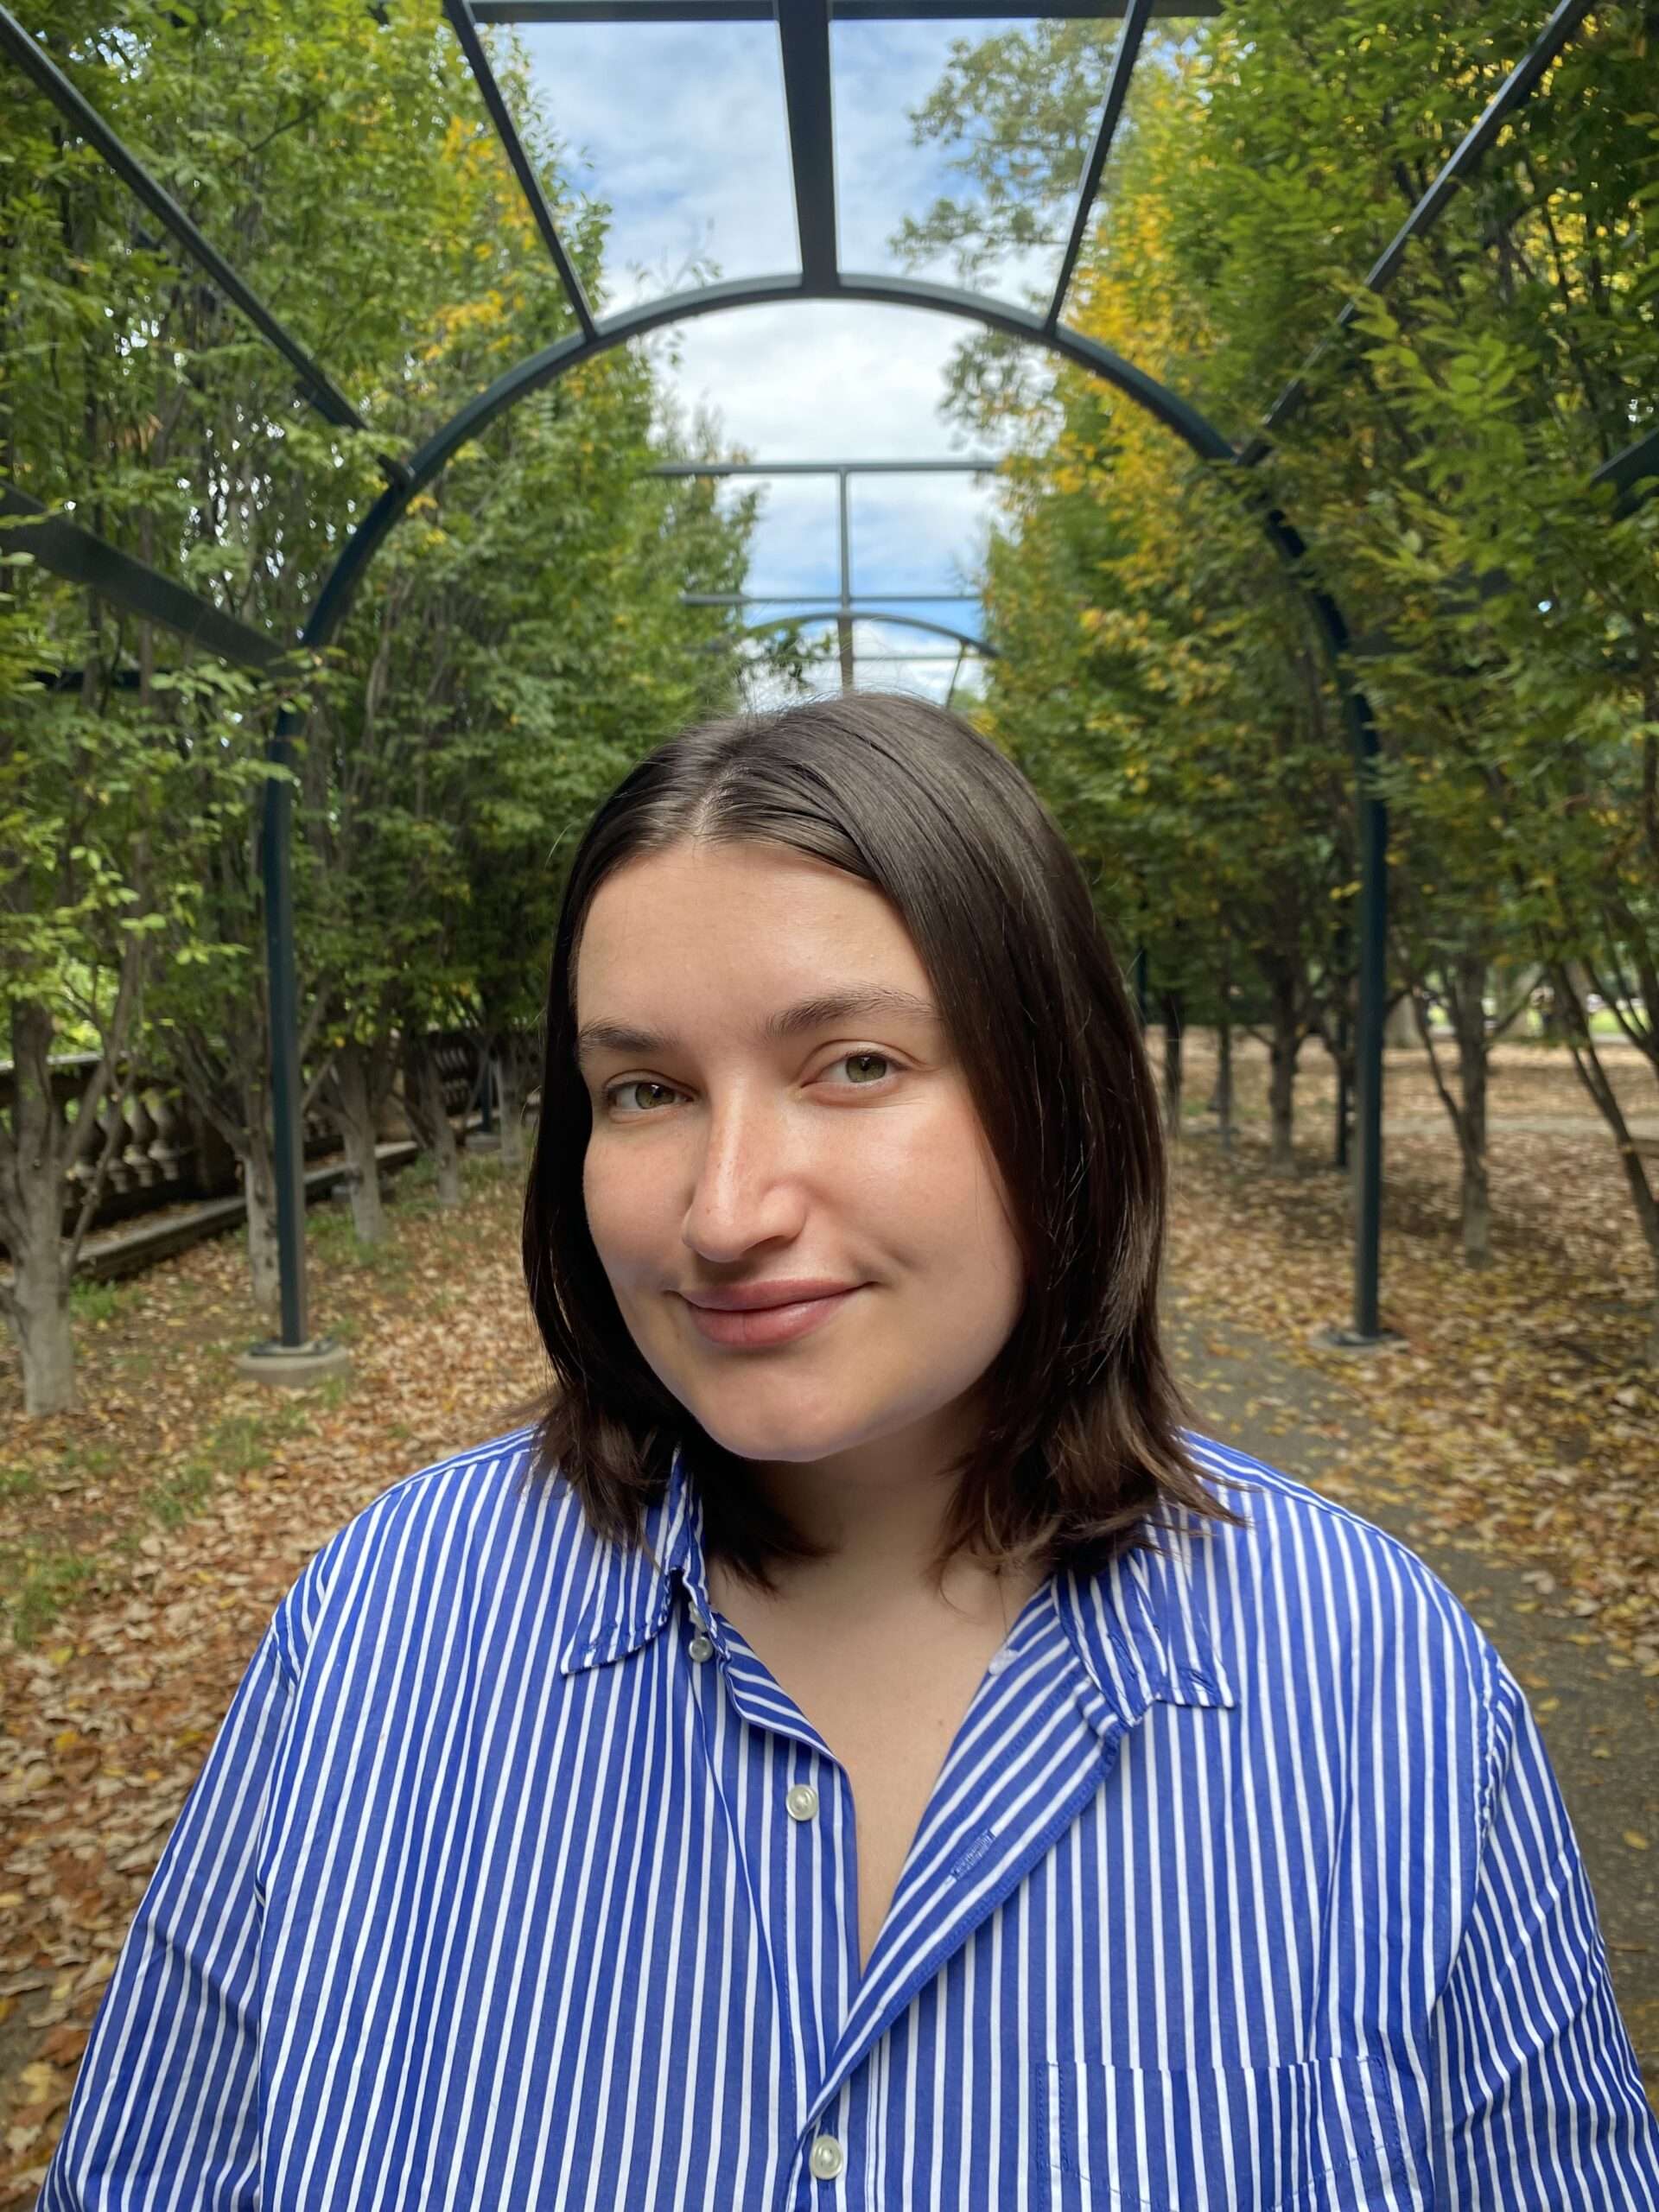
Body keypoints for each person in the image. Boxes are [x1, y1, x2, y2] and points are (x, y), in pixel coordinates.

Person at [38, 692, 1659, 2209]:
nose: (727, 1211)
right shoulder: (381, 1638)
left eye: (857, 1065)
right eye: (646, 1089)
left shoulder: (1380, 1687)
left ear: (1061, 1096)